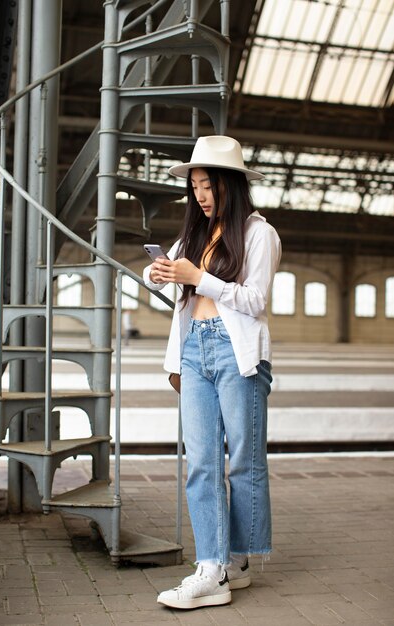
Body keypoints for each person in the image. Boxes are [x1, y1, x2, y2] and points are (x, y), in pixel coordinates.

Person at [143, 135, 281, 610]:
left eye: (208, 185)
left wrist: (197, 278)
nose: (200, 195)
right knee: (201, 463)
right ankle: (211, 567)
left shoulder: (260, 234)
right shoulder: (194, 235)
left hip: (235, 352)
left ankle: (236, 561)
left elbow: (254, 300)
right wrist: (159, 272)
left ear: (232, 185)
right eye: (195, 185)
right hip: (194, 351)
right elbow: (167, 274)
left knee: (243, 462)